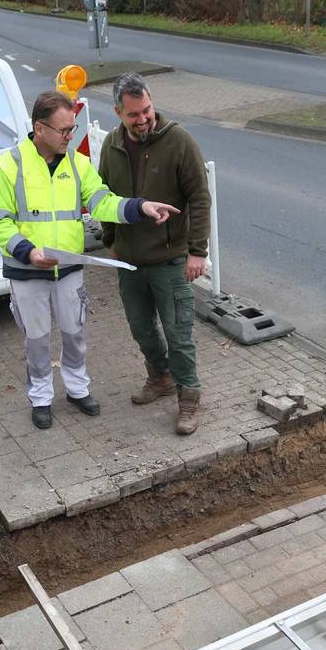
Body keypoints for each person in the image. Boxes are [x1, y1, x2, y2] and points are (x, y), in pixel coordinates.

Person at [0, 90, 178, 430]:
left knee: (74, 332)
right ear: (39, 128)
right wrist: (27, 251)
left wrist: (141, 207)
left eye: (72, 129)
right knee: (37, 338)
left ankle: (77, 389)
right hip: (27, 270)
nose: (69, 137)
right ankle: (42, 397)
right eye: (64, 131)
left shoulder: (78, 164)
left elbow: (102, 201)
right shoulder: (8, 165)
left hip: (70, 266)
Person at [98, 73, 211, 435]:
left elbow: (199, 198)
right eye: (134, 114)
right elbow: (103, 196)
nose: (143, 118)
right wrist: (109, 238)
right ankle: (159, 377)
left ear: (151, 101)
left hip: (171, 260)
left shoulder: (179, 141)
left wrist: (197, 252)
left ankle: (188, 397)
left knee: (179, 333)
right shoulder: (111, 146)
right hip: (130, 262)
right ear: (118, 112)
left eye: (147, 109)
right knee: (142, 329)